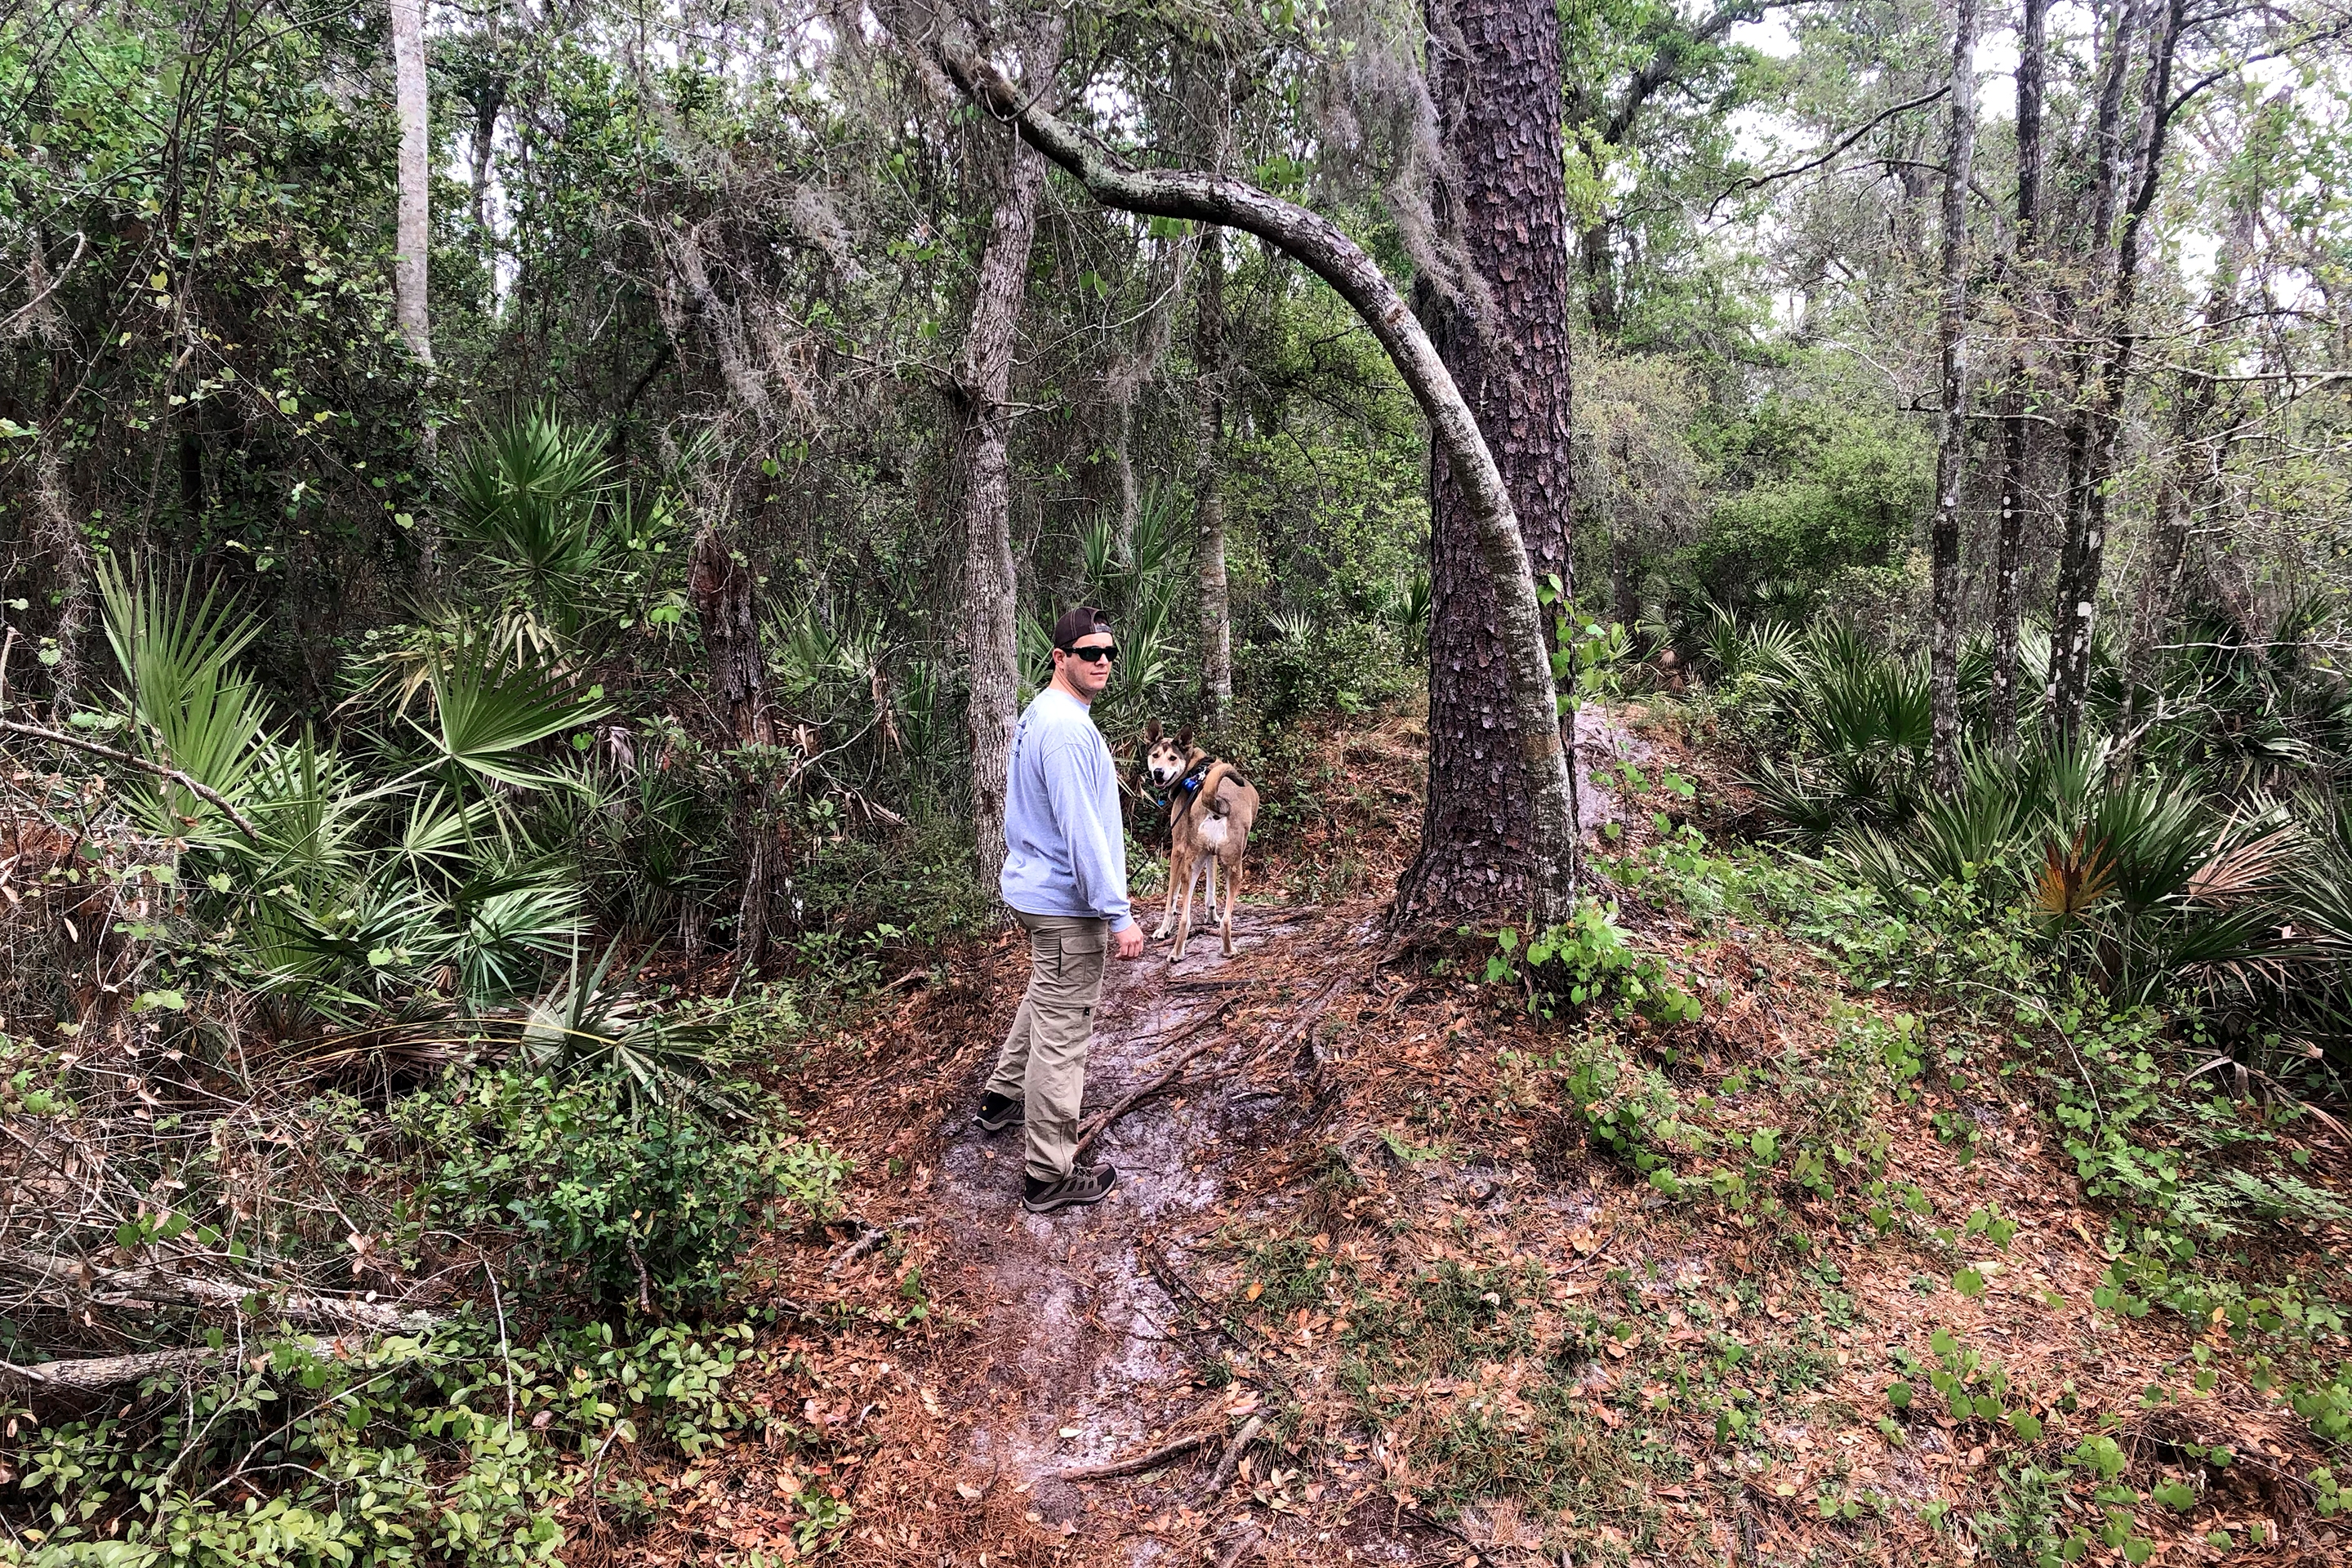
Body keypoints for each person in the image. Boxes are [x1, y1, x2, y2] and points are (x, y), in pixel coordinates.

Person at [974, 605, 1146, 1213]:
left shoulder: (1043, 713)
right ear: (1060, 658)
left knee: (1045, 997)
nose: (1102, 662)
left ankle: (1000, 1098)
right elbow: (1081, 830)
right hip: (1064, 904)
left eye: (1109, 653)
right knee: (1064, 1032)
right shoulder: (1068, 729)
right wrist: (1116, 911)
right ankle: (1047, 1174)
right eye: (1089, 653)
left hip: (1033, 890)